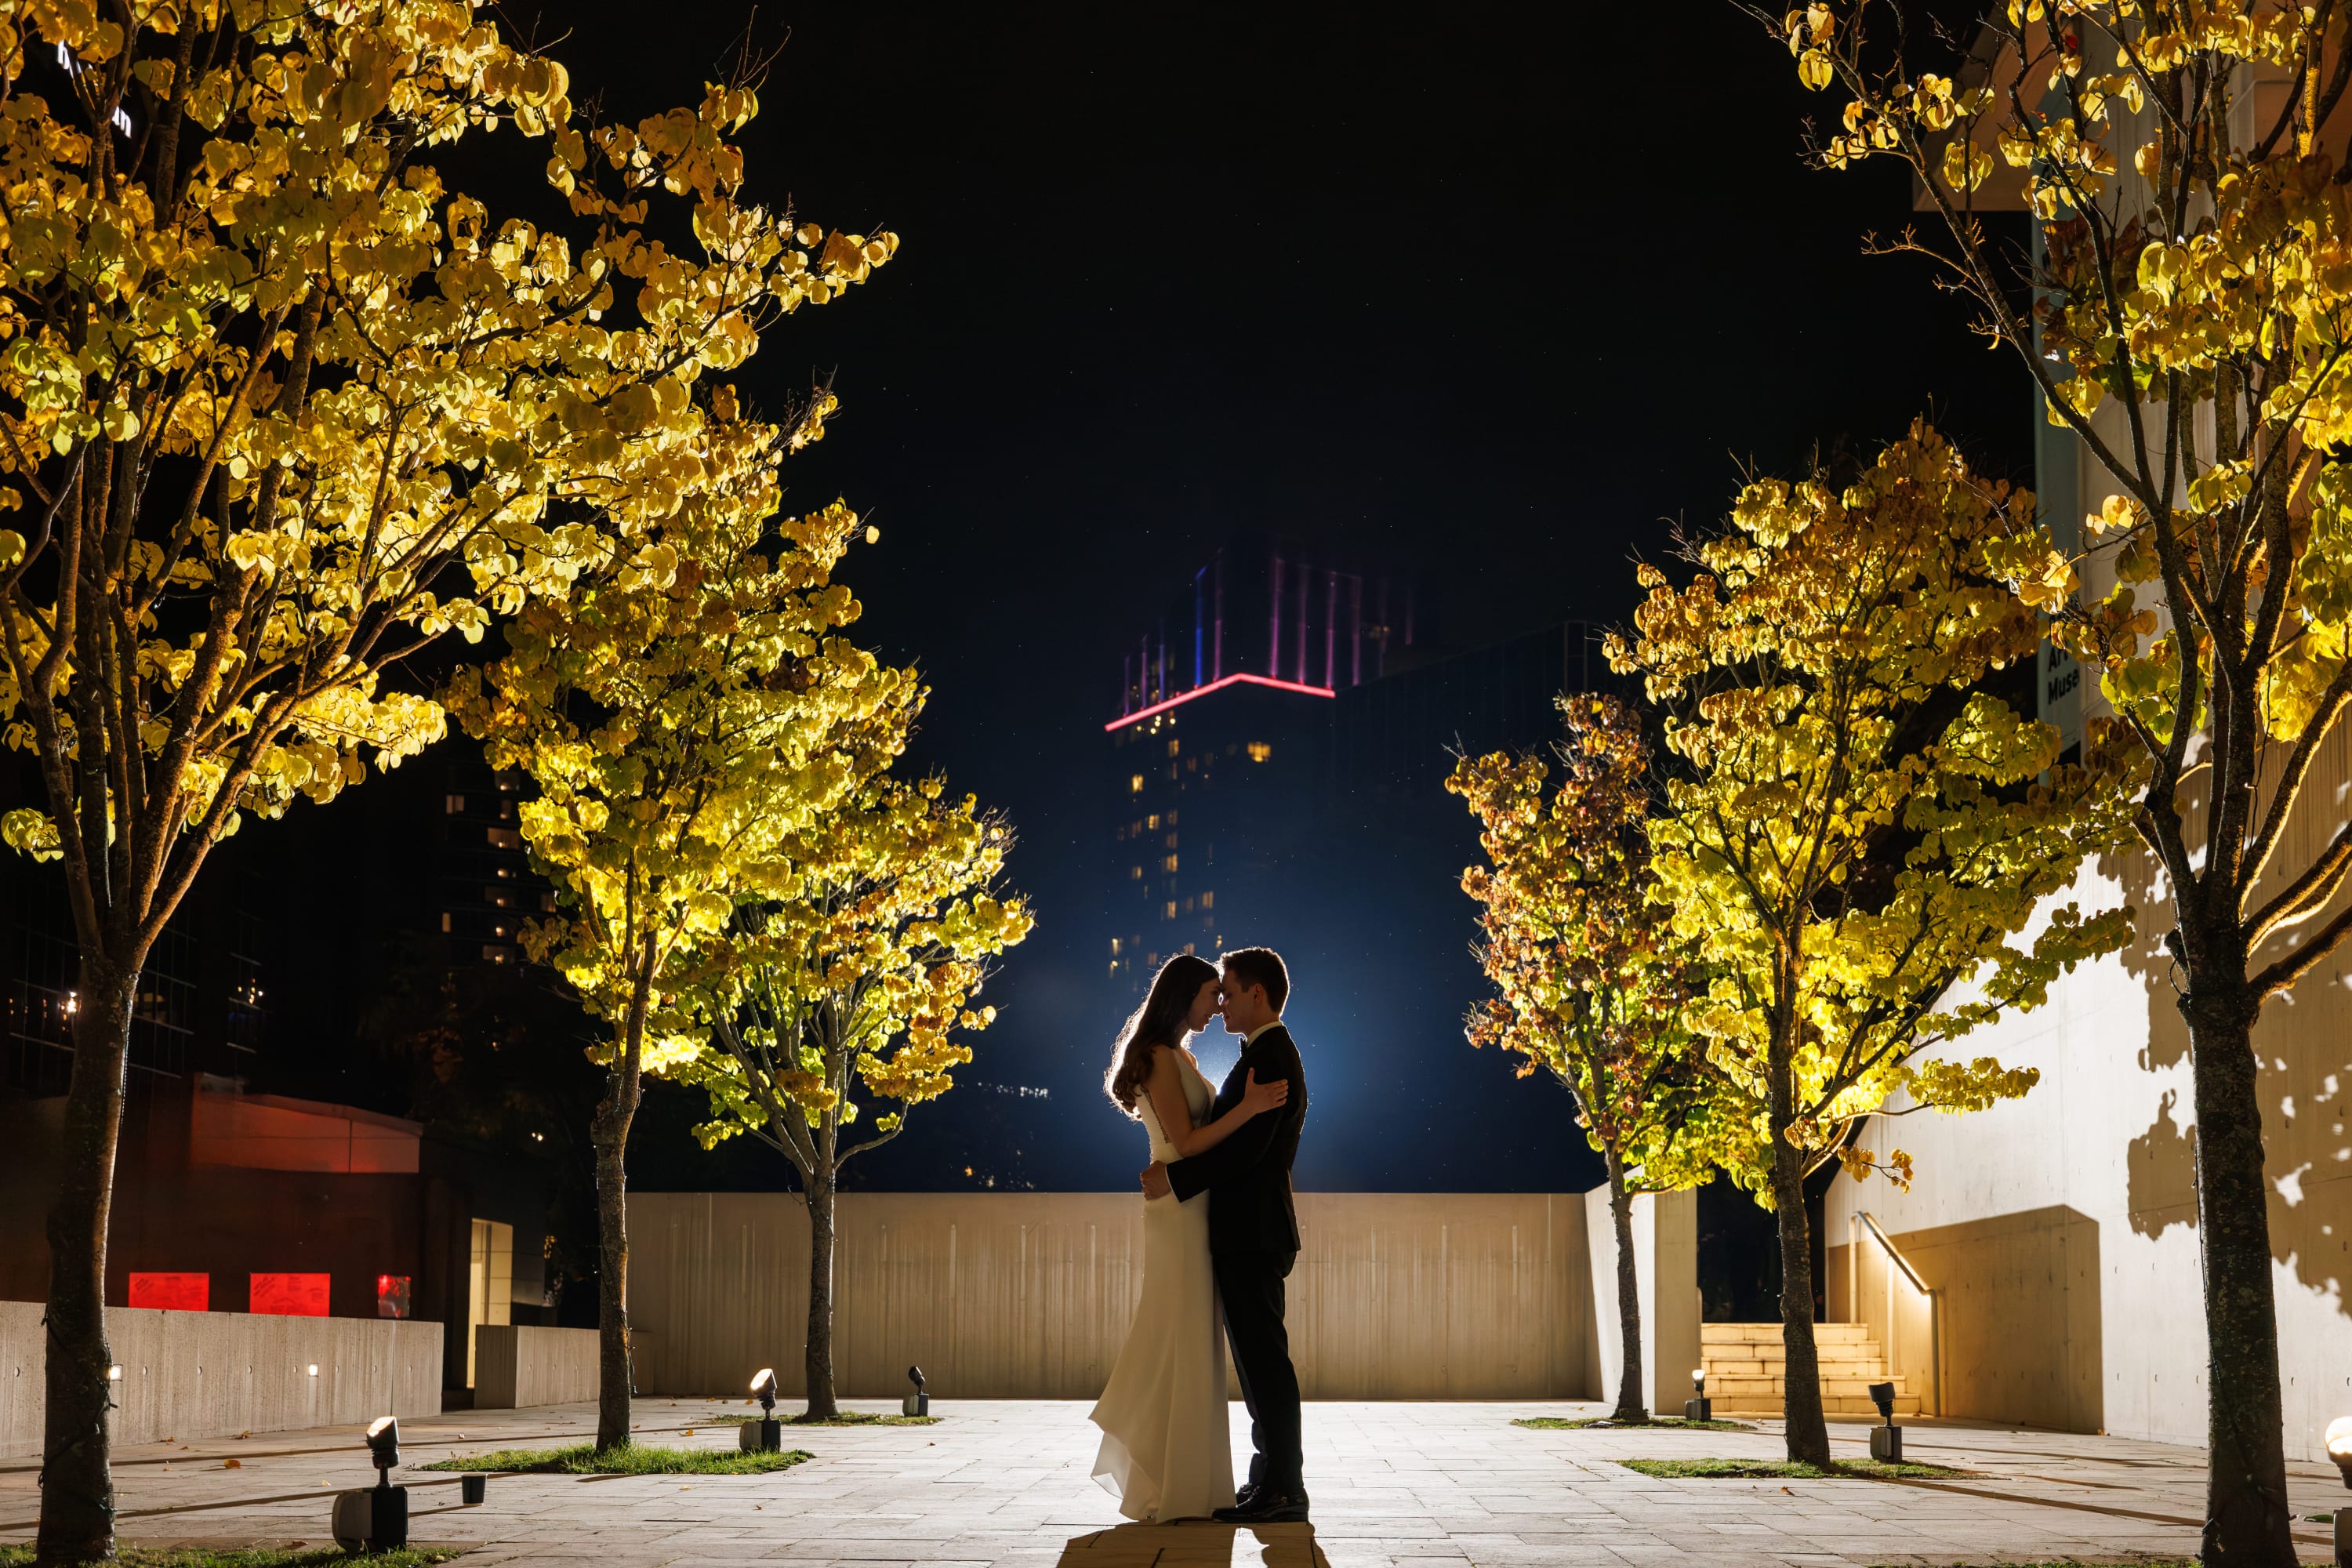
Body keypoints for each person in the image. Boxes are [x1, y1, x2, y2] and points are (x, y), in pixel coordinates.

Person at [1089, 953, 1290, 1522]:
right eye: (1210, 994)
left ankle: (1190, 1477)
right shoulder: (1158, 1056)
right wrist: (1249, 1108)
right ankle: (1166, 1468)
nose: (1218, 1004)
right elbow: (1186, 1142)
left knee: (1195, 1338)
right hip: (1178, 1212)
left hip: (1193, 1206)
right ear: (1184, 998)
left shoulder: (1180, 1054)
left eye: (1222, 993)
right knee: (1177, 1331)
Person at [1141, 946, 1310, 1524]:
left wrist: (1175, 1180)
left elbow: (1248, 1150)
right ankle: (1269, 1481)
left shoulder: (1273, 1056)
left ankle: (1285, 1488)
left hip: (1253, 1232)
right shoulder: (1261, 1054)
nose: (1223, 1002)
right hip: (1247, 1231)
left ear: (1256, 994)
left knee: (1265, 1365)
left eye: (1229, 992)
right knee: (1259, 1365)